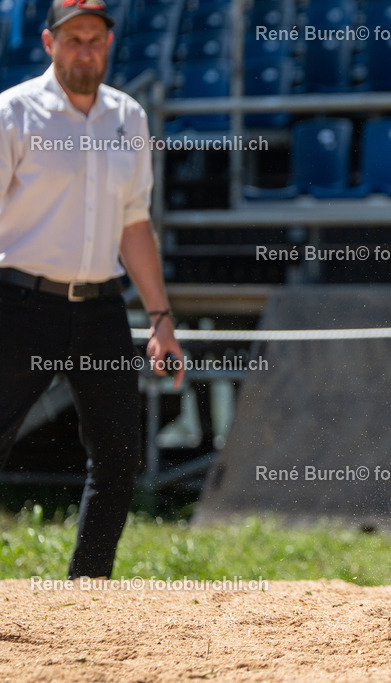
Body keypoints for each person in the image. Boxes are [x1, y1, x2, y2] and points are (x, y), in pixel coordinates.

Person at [0, 0, 184, 580]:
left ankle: (88, 592)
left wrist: (161, 320)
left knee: (117, 457)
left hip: (102, 305)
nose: (85, 49)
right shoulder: (13, 112)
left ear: (108, 44)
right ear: (50, 43)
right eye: (74, 38)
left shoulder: (129, 116)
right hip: (18, 304)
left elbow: (135, 223)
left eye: (95, 39)